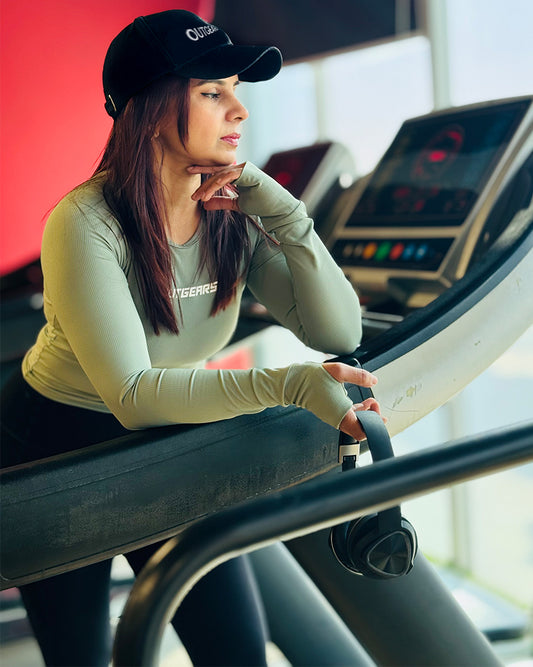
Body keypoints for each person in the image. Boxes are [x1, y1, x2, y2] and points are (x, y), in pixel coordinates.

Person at [0, 9, 384, 667]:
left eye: (236, 88)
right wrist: (289, 384)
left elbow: (337, 329)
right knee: (78, 656)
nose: (238, 109)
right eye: (212, 91)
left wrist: (286, 214)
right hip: (54, 448)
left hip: (169, 436)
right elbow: (131, 394)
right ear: (148, 111)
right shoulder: (83, 221)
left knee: (236, 651)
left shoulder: (231, 210)